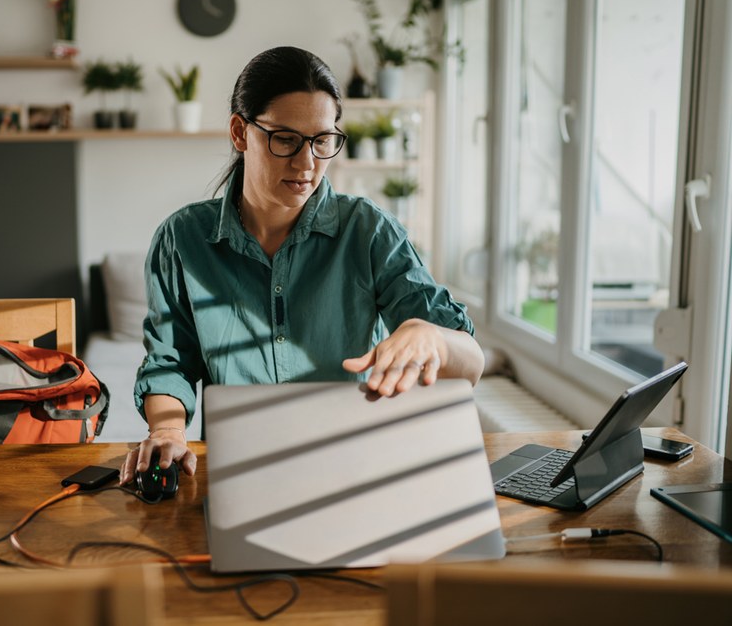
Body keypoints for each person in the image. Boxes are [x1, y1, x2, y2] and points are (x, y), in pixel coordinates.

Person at [119, 46, 483, 485]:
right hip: (242, 472)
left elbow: (472, 364)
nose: (307, 164)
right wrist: (168, 430)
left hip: (359, 468)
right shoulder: (182, 239)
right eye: (286, 139)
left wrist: (434, 338)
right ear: (239, 132)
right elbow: (170, 363)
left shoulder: (369, 231)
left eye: (322, 141)